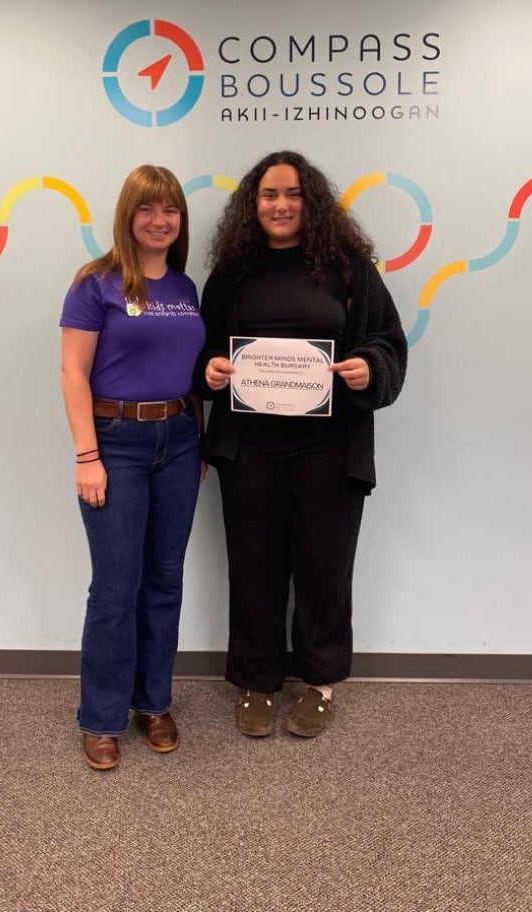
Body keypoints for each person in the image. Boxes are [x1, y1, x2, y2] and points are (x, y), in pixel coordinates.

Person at [194, 150, 407, 739]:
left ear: (311, 201)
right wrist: (208, 372)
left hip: (330, 448)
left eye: (292, 194)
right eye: (268, 195)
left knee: (324, 567)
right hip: (251, 450)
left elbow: (388, 342)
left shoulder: (349, 270)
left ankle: (319, 683)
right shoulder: (232, 274)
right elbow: (200, 351)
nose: (281, 205)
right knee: (255, 566)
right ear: (252, 204)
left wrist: (369, 367)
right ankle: (258, 684)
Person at [60, 165, 205, 771]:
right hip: (115, 442)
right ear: (128, 214)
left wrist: (197, 439)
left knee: (164, 581)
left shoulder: (184, 287)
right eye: (148, 209)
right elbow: (72, 372)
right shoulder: (97, 284)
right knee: (115, 587)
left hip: (178, 441)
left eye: (170, 209)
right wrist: (87, 455)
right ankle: (101, 718)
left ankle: (154, 703)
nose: (159, 220)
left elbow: (193, 373)